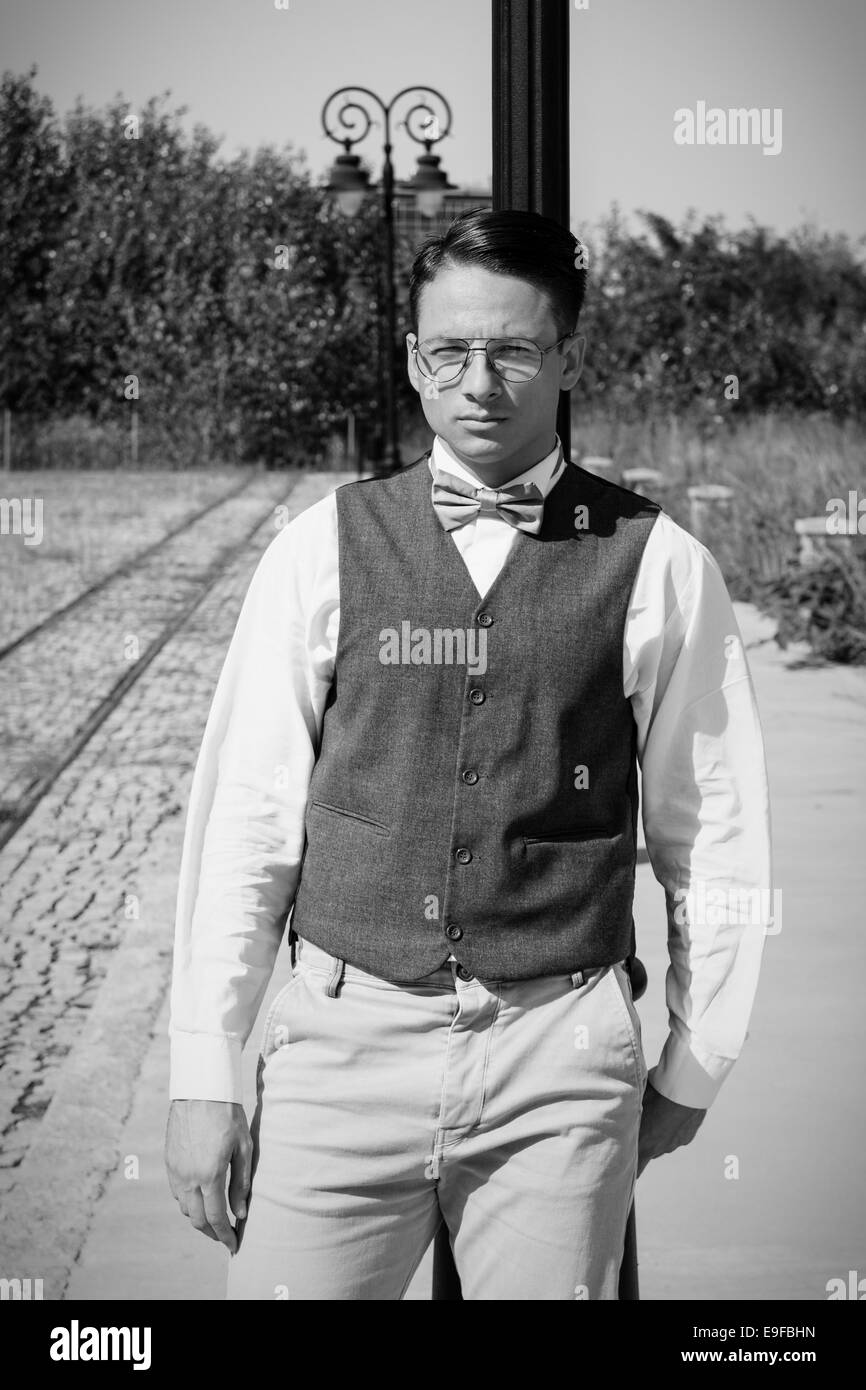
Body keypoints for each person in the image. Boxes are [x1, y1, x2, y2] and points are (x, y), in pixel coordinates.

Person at [165, 208, 772, 1300]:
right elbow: (246, 824)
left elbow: (712, 829)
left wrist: (697, 1052)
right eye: (448, 349)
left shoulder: (661, 564)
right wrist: (204, 1071)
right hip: (340, 1044)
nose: (476, 380)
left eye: (512, 350)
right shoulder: (318, 550)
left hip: (560, 1050)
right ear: (411, 357)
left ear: (565, 357)